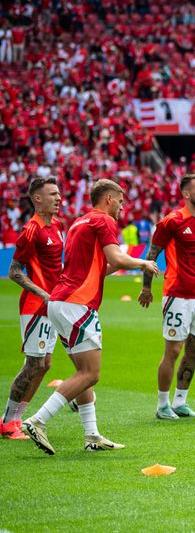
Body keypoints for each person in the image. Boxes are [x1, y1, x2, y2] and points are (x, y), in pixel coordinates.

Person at [22, 179, 159, 455]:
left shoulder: (78, 223)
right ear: (108, 199)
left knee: (81, 372)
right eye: (120, 201)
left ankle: (92, 435)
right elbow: (117, 259)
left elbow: (95, 267)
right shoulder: (103, 221)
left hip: (60, 302)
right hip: (77, 305)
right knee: (90, 373)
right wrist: (143, 261)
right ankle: (38, 420)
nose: (122, 207)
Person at [138, 174, 195, 419]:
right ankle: (162, 405)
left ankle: (180, 402)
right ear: (185, 194)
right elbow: (152, 253)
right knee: (172, 350)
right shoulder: (172, 221)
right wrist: (147, 287)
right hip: (177, 295)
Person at [2, 179, 63, 440]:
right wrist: (42, 293)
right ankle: (7, 421)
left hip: (53, 304)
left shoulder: (58, 226)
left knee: (45, 364)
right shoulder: (31, 230)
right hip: (36, 306)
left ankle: (18, 417)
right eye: (52, 194)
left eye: (59, 193)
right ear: (37, 199)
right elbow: (14, 272)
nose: (58, 198)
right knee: (33, 363)